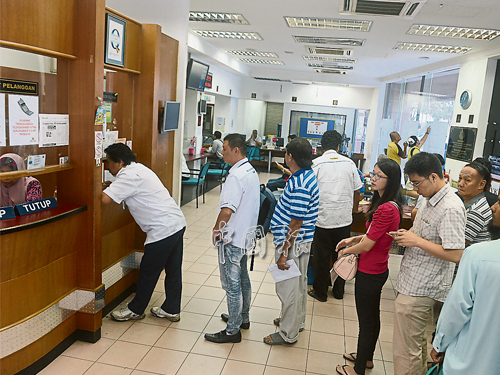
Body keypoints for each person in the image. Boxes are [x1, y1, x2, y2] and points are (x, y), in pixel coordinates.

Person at [389, 152, 466, 375]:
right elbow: (423, 232)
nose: (415, 189)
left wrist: (417, 241)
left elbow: (456, 254)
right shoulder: (429, 198)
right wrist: (408, 234)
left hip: (423, 287)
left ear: (433, 177)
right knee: (414, 344)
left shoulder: (450, 207)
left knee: (405, 351)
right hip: (412, 280)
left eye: (416, 183)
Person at [103, 143, 186, 322]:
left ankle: (135, 309)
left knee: (148, 271)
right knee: (173, 270)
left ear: (119, 162)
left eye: (108, 162)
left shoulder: (127, 176)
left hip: (162, 229)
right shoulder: (139, 168)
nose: (107, 167)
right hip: (176, 223)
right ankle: (171, 309)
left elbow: (104, 199)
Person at [335, 158, 403, 375]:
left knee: (367, 322)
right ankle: (367, 358)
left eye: (378, 175)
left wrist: (345, 252)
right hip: (376, 268)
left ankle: (359, 369)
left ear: (390, 180)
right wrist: (351, 241)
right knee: (371, 319)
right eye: (372, 174)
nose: (372, 178)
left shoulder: (386, 209)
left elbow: (369, 244)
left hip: (370, 271)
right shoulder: (387, 205)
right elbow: (372, 235)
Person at [430, 194, 500, 375]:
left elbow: (457, 308)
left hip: (469, 362)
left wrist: (439, 344)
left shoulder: (479, 255)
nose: (493, 207)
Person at [204, 134, 260, 344]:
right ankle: (242, 317)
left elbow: (227, 211)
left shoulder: (236, 176)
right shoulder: (250, 170)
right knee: (243, 277)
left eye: (225, 149)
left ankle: (232, 330)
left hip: (232, 238)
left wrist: (216, 230)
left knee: (232, 284)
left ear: (236, 150)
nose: (222, 152)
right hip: (245, 234)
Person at [263, 137, 319, 345]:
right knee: (299, 283)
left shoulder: (302, 183)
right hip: (300, 241)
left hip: (293, 243)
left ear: (290, 157)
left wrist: (284, 253)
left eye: (286, 153)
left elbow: (295, 222)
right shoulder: (303, 175)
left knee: (287, 288)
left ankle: (288, 332)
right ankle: (297, 321)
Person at [308, 130, 363, 302]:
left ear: (321, 146)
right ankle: (339, 292)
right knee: (342, 255)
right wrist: (354, 210)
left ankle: (321, 292)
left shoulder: (315, 164)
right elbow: (357, 190)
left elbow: (310, 192)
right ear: (339, 145)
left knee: (321, 257)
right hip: (343, 219)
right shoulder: (350, 164)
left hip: (322, 218)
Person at [457, 162, 492, 245]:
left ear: (481, 184)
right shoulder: (472, 202)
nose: (460, 184)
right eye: (460, 178)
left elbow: (457, 246)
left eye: (467, 180)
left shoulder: (476, 212)